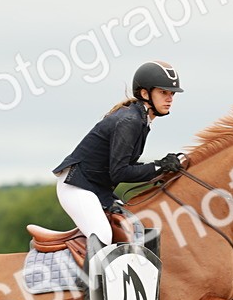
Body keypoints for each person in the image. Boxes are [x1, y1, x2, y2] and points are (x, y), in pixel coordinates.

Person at [51, 60, 189, 247]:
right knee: (103, 236)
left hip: (96, 188)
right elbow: (120, 172)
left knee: (136, 229)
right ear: (144, 93)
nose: (170, 98)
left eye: (172, 93)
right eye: (163, 92)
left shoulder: (140, 120)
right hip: (76, 186)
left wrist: (161, 166)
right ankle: (84, 278)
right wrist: (159, 166)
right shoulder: (130, 121)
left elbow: (123, 168)